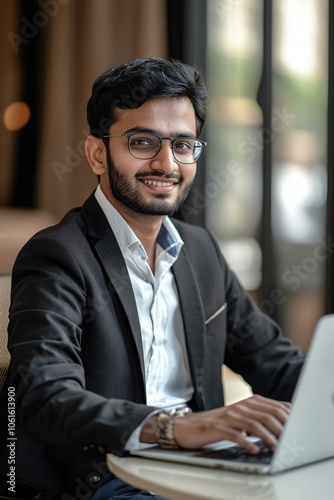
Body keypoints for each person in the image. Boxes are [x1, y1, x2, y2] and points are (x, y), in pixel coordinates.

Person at [0, 57, 305, 499]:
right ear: (98, 153)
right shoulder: (57, 255)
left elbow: (275, 363)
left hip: (203, 468)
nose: (167, 163)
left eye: (183, 145)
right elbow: (43, 398)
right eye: (143, 142)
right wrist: (177, 429)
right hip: (106, 478)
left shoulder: (200, 252)